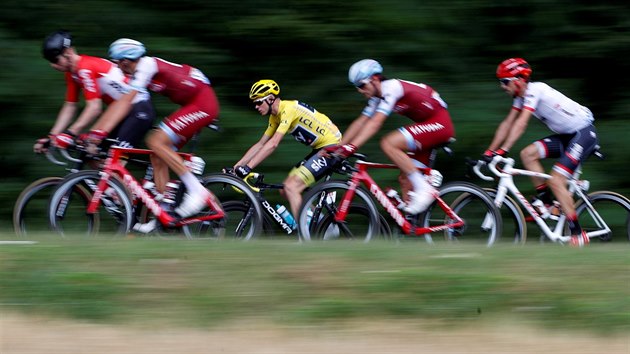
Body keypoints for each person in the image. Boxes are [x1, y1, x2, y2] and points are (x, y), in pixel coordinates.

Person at [92, 38, 221, 223]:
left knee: (155, 141)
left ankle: (197, 191)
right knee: (157, 155)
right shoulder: (142, 70)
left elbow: (126, 102)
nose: (117, 67)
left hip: (202, 103)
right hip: (195, 102)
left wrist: (100, 131)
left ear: (126, 60)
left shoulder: (145, 67)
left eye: (118, 62)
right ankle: (165, 214)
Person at [482, 57, 598, 246]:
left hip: (584, 133)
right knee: (528, 154)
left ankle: (577, 233)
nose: (502, 87)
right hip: (568, 136)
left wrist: (503, 150)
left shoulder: (535, 91)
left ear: (519, 80)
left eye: (504, 82)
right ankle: (546, 202)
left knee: (556, 180)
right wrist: (489, 151)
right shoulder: (521, 98)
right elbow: (508, 123)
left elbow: (521, 123)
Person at [331, 59, 455, 215]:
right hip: (427, 127)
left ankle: (426, 188)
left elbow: (375, 123)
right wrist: (339, 147)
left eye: (362, 85)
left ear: (375, 79)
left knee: (388, 143)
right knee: (405, 180)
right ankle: (412, 226)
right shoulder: (377, 98)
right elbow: (361, 122)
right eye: (357, 87)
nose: (360, 90)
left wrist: (352, 147)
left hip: (440, 123)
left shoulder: (391, 88)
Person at [232, 79, 342, 220]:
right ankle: (318, 222)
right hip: (320, 147)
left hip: (331, 146)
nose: (256, 106)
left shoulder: (288, 109)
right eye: (254, 103)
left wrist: (248, 168)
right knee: (286, 189)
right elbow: (261, 144)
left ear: (271, 99)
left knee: (292, 187)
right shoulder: (274, 117)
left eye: (259, 102)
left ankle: (304, 237)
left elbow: (273, 144)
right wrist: (238, 166)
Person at [35, 30, 155, 154]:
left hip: (139, 109)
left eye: (55, 60)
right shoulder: (72, 74)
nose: (53, 65)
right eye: (50, 61)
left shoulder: (84, 69)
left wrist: (70, 133)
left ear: (68, 52)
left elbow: (94, 108)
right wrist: (52, 136)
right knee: (91, 153)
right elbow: (70, 106)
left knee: (114, 160)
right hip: (120, 113)